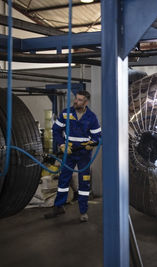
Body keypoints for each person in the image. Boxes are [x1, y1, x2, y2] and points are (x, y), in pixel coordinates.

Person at [44, 90, 101, 222]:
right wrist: (62, 145)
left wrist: (91, 144)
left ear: (86, 102)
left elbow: (97, 136)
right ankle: (58, 207)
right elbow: (56, 130)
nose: (76, 101)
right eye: (76, 98)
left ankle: (83, 211)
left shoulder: (91, 117)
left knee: (84, 183)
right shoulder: (66, 113)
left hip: (84, 154)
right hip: (68, 152)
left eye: (80, 100)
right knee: (63, 180)